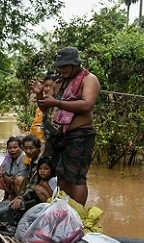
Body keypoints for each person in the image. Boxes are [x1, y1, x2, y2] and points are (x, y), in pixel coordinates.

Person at [31, 47, 100, 206]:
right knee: (61, 174)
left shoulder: (89, 79)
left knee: (76, 177)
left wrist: (57, 103)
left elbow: (87, 105)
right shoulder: (58, 82)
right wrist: (40, 94)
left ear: (76, 64)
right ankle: (63, 210)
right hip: (59, 134)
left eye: (65, 66)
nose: (61, 69)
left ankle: (78, 215)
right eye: (59, 66)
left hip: (80, 135)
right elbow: (45, 107)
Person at [10, 135, 42, 210]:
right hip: (34, 191)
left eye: (31, 148)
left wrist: (20, 198)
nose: (28, 151)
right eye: (26, 148)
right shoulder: (33, 160)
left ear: (38, 147)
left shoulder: (40, 162)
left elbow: (33, 183)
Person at [0, 136, 29, 200]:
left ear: (20, 148)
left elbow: (22, 175)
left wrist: (10, 178)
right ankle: (6, 196)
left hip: (23, 182)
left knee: (18, 180)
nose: (12, 150)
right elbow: (3, 167)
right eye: (10, 148)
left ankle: (20, 198)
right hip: (11, 177)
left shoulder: (23, 157)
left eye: (15, 147)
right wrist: (3, 175)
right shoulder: (9, 156)